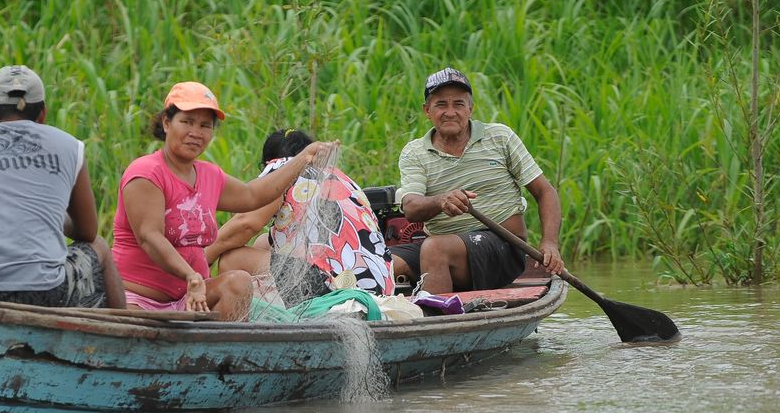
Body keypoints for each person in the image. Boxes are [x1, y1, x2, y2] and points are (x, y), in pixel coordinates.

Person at [112, 82, 337, 320]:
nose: (195, 132)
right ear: (167, 123)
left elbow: (254, 195)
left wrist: (303, 158)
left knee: (238, 282)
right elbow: (150, 237)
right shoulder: (147, 173)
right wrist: (191, 275)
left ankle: (225, 354)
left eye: (204, 125)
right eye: (187, 122)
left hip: (189, 300)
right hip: (137, 301)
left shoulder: (209, 175)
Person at [0, 65, 126, 309]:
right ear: (43, 114)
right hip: (44, 291)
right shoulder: (70, 147)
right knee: (99, 246)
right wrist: (53, 216)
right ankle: (126, 333)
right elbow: (88, 232)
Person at [388, 67, 564, 294]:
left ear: (470, 109)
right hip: (444, 246)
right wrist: (441, 201)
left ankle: (437, 323)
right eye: (441, 104)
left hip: (503, 246)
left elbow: (545, 192)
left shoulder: (500, 137)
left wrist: (550, 243)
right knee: (375, 264)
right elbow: (411, 208)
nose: (450, 112)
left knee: (435, 249)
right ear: (427, 111)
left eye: (458, 104)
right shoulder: (414, 152)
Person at [205, 128, 393, 297]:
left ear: (269, 162)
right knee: (264, 242)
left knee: (232, 259)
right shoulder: (343, 179)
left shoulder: (285, 168)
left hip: (336, 287)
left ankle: (242, 328)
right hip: (379, 286)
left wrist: (201, 260)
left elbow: (245, 224)